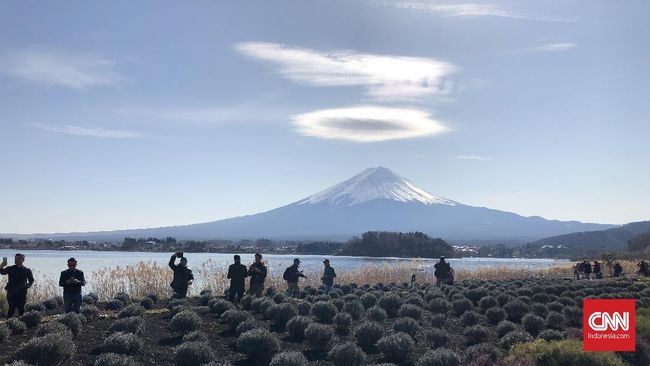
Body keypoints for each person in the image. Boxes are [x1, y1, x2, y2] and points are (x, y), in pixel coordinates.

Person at [0, 253, 35, 318]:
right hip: (11, 292)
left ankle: (22, 324)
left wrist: (27, 286)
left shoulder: (27, 270)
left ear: (23, 260)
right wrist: (2, 265)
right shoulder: (10, 268)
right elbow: (2, 272)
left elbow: (31, 280)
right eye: (15, 259)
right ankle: (9, 324)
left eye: (19, 259)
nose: (16, 260)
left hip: (22, 292)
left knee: (21, 309)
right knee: (11, 308)